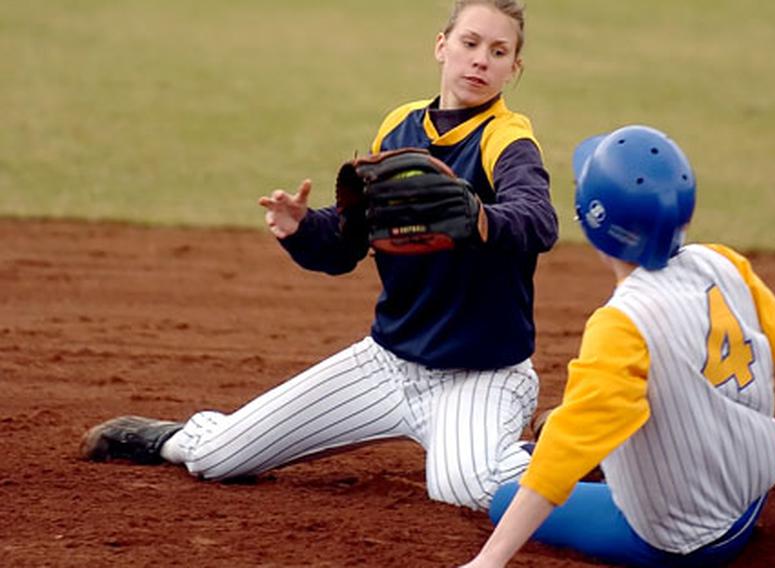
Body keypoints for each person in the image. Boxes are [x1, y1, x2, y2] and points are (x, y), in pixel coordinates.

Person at [79, 0, 558, 512]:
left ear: (514, 68)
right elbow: (349, 245)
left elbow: (539, 219)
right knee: (217, 457)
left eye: (498, 51)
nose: (481, 60)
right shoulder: (400, 128)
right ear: (442, 47)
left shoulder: (506, 139)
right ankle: (164, 437)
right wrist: (304, 228)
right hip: (389, 362)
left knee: (466, 488)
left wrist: (484, 218)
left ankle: (566, 445)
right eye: (470, 43)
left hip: (480, 375)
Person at [463, 125, 775, 567]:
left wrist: (490, 559)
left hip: (685, 540)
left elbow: (565, 451)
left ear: (589, 219)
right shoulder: (723, 264)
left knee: (508, 492)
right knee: (614, 402)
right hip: (750, 494)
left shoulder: (622, 323)